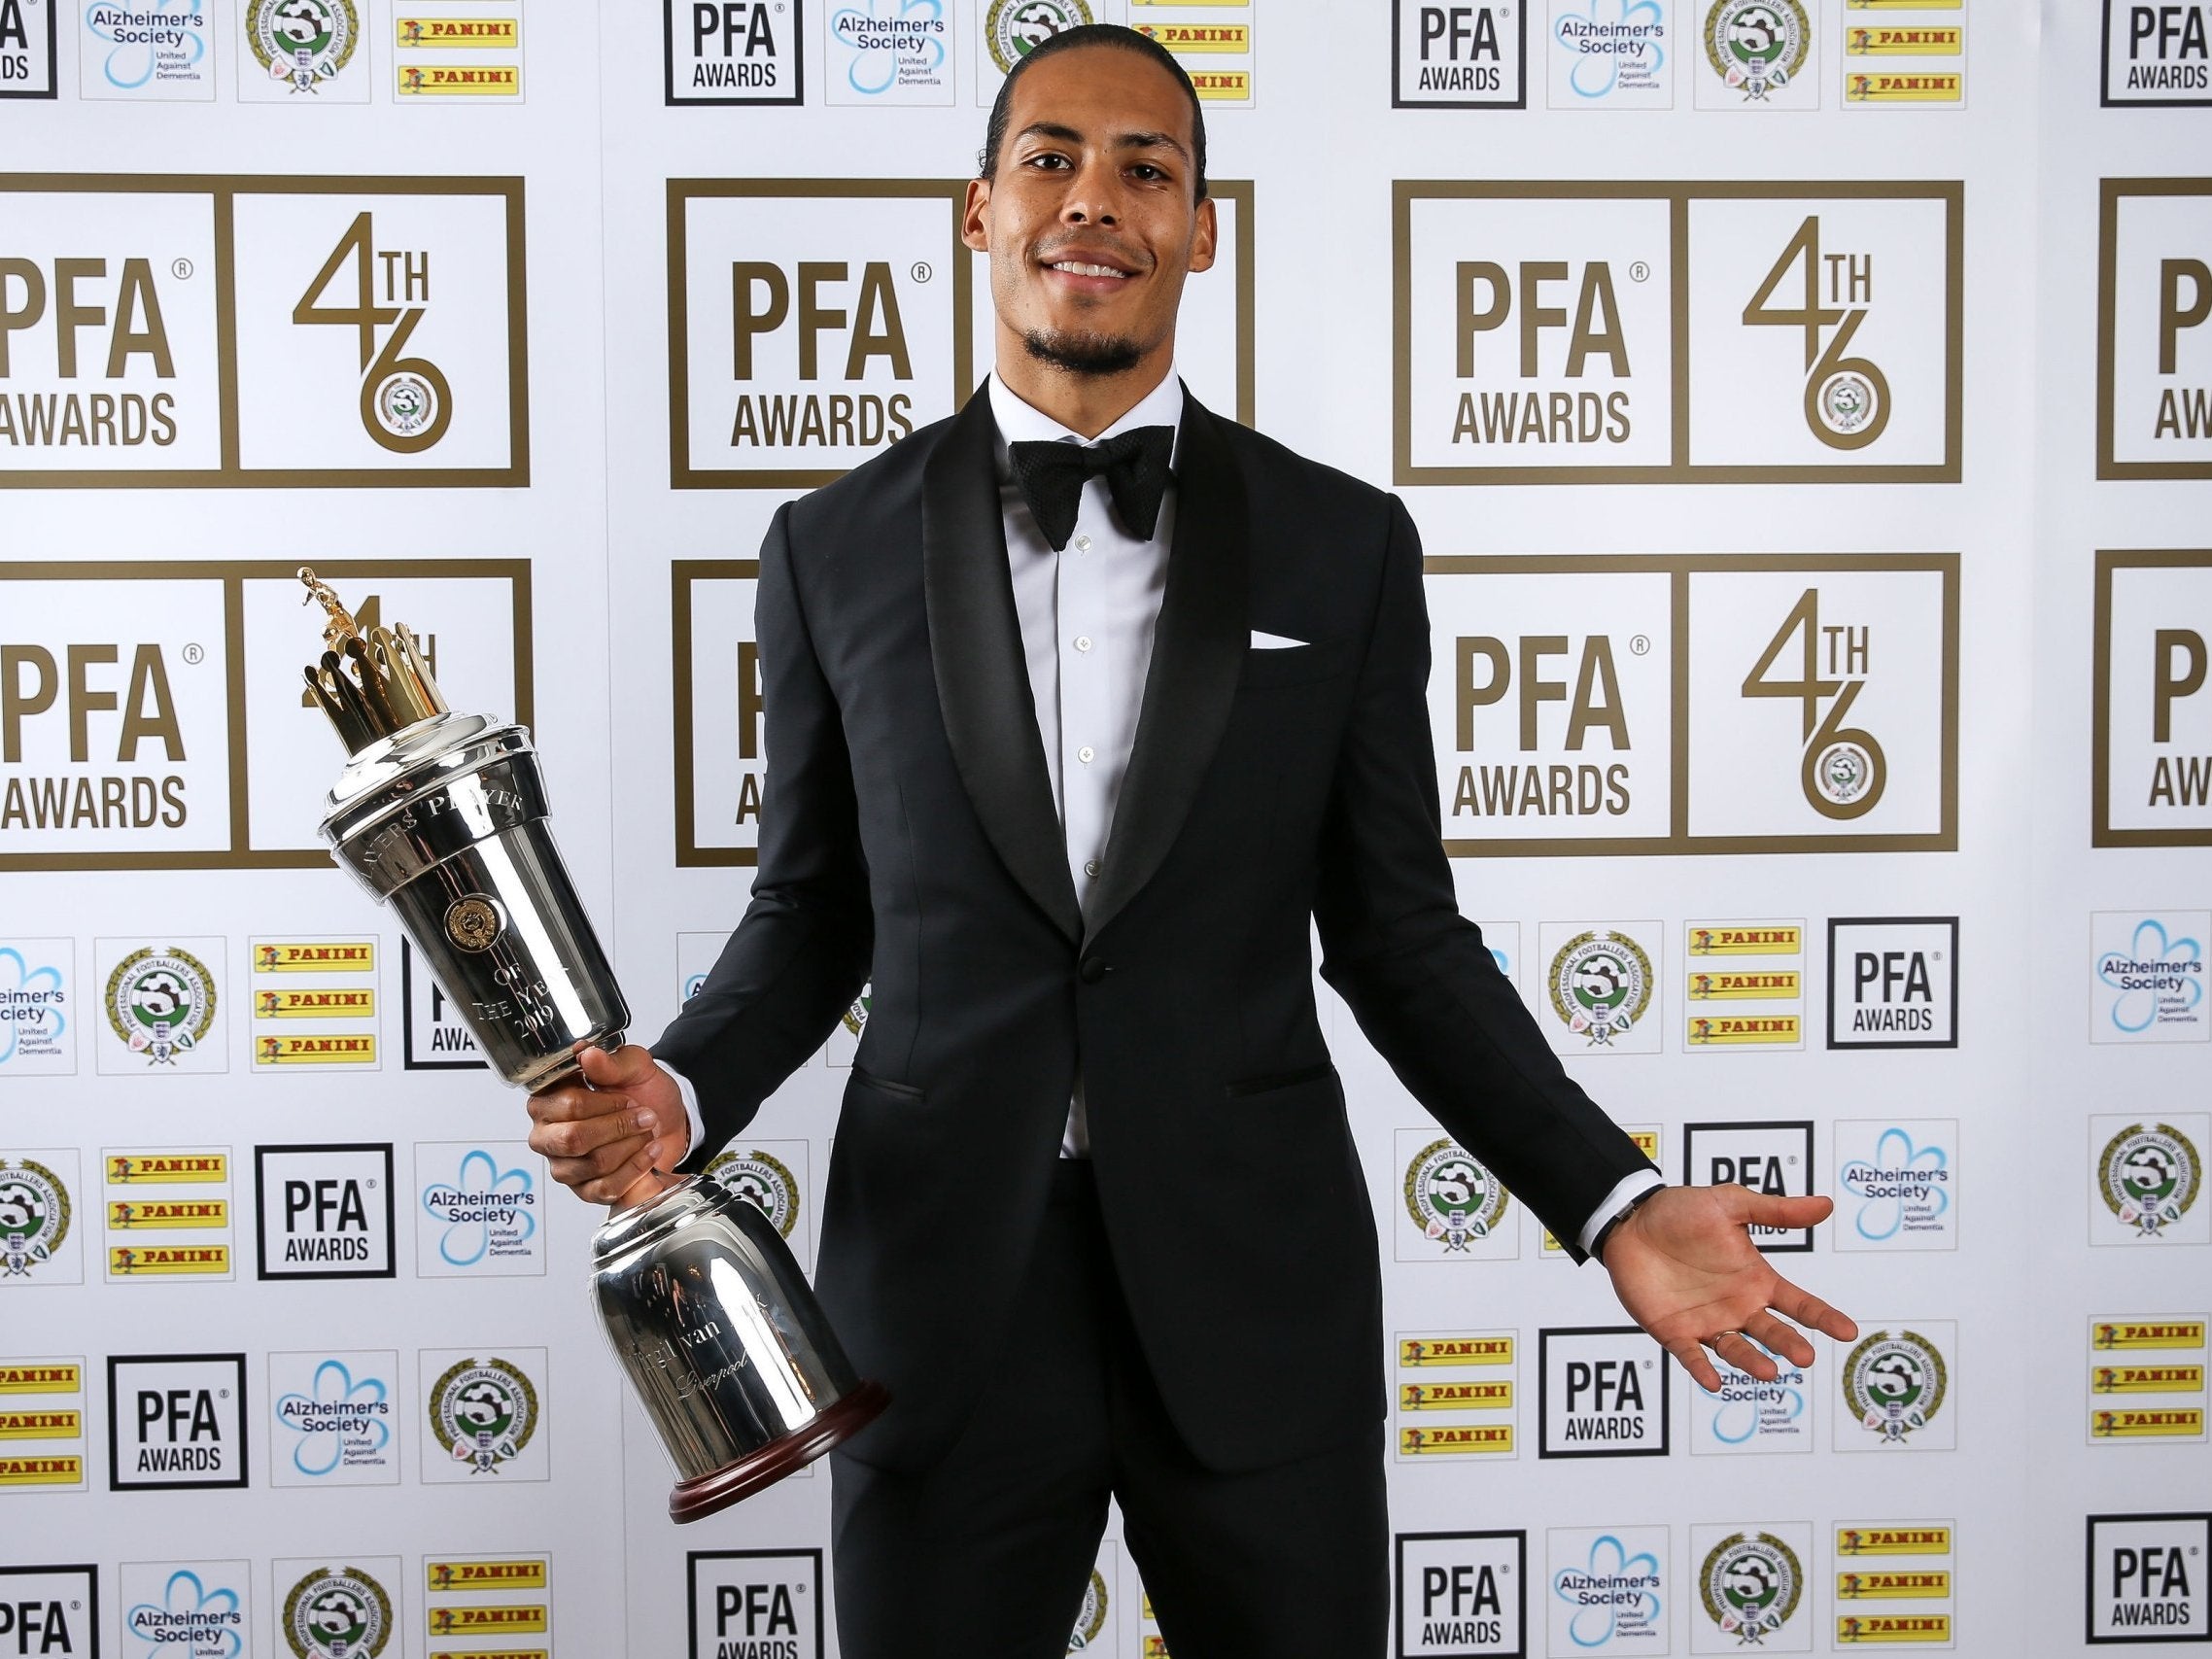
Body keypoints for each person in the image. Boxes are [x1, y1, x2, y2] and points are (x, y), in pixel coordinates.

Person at [529, 25, 1856, 1658]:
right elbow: (813, 907)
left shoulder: (1343, 545)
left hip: (1256, 1296)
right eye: (1051, 159)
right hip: (939, 1305)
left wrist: (1612, 1203)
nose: (1096, 200)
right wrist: (683, 1084)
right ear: (977, 211)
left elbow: (1401, 939)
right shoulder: (825, 550)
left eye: (1147, 168)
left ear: (1202, 229)